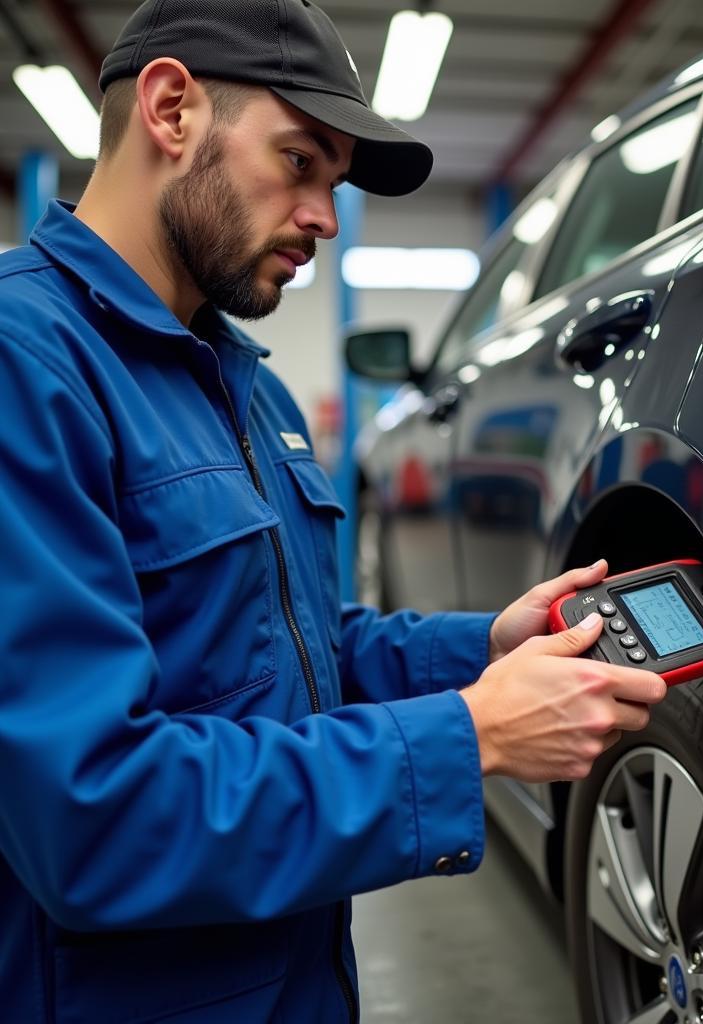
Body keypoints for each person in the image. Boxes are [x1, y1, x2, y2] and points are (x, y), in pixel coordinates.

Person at [0, 1, 667, 1020]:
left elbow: (289, 651)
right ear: (171, 110)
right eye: (301, 160)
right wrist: (468, 736)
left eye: (334, 180)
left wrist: (484, 648)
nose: (325, 214)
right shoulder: (25, 366)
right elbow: (93, 816)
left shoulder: (246, 388)